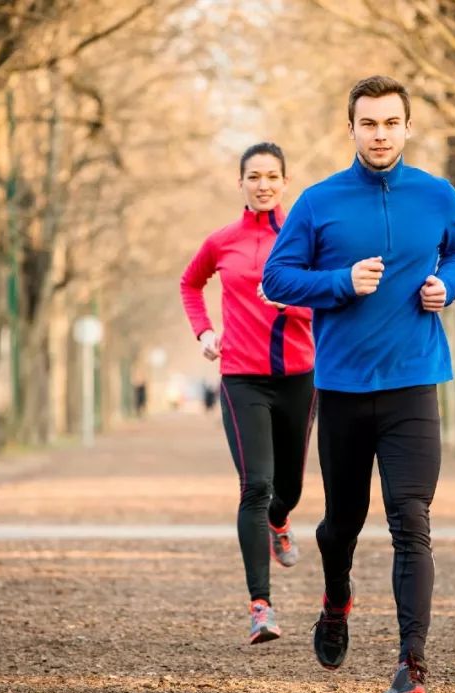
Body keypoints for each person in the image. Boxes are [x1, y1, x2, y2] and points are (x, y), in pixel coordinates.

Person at [262, 76, 455, 693]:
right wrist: (340, 281)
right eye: (369, 124)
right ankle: (336, 600)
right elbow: (278, 277)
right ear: (351, 129)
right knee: (342, 525)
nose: (380, 134)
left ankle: (411, 666)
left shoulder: (437, 194)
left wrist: (449, 282)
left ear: (407, 127)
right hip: (344, 389)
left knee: (411, 521)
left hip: (414, 382)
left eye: (391, 123)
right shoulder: (318, 201)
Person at [179, 142, 316, 645]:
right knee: (255, 486)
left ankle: (281, 520)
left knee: (290, 490)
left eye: (272, 176)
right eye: (254, 176)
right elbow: (190, 285)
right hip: (241, 377)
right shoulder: (222, 241)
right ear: (240, 183)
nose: (263, 185)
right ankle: (261, 606)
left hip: (299, 374)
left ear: (285, 182)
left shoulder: (306, 240)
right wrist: (204, 333)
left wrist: (292, 302)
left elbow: (329, 298)